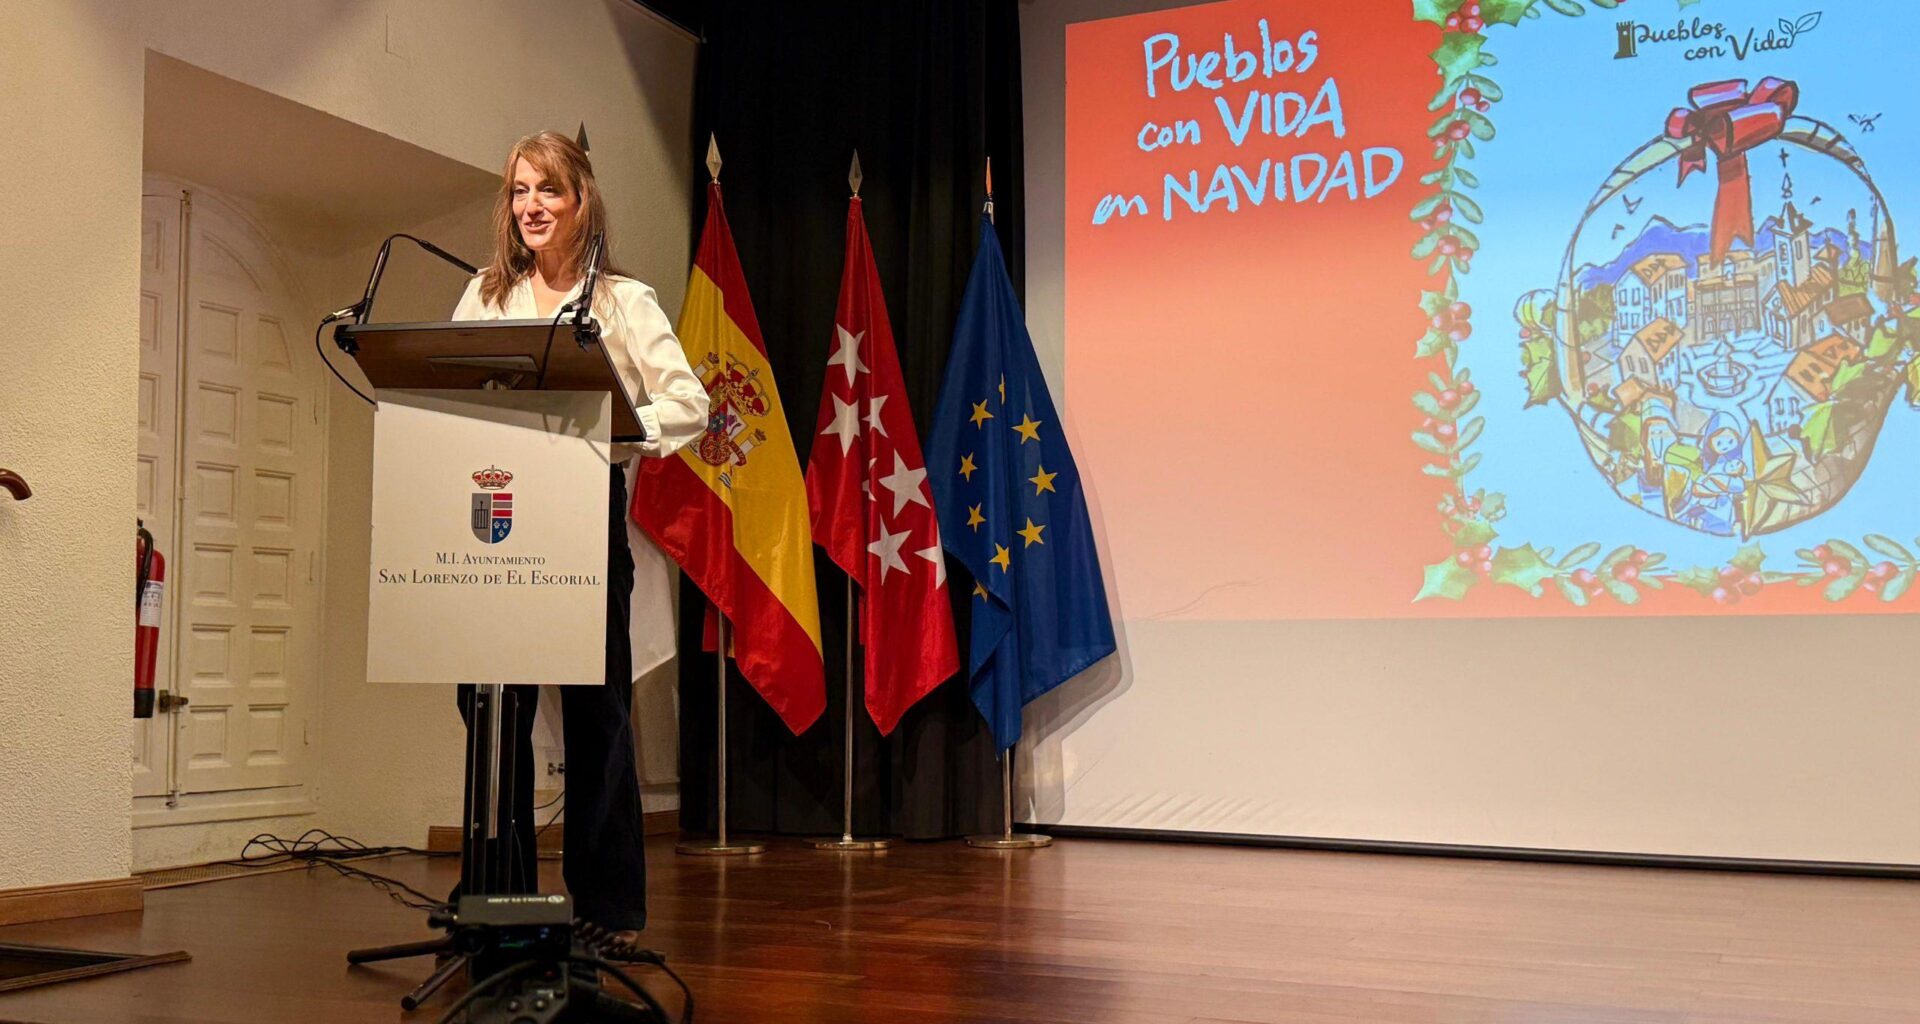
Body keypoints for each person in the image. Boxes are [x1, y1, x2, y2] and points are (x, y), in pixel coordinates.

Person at [449, 131, 708, 932]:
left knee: (598, 716)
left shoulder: (623, 303)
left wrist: (613, 430)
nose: (530, 206)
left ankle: (607, 909)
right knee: (493, 708)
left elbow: (690, 405)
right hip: (493, 516)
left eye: (547, 190)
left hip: (584, 517)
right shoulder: (483, 296)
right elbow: (447, 388)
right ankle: (503, 900)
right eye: (519, 191)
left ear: (580, 201)